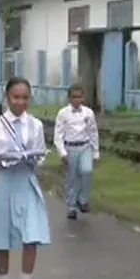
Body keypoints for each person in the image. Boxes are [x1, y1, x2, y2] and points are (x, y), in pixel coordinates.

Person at [0, 76, 49, 279]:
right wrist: (1, 162)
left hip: (26, 181)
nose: (20, 102)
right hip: (4, 182)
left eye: (25, 98)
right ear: (7, 98)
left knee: (31, 235)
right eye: (16, 97)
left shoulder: (36, 125)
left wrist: (35, 159)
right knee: (3, 235)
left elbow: (42, 154)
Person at [53, 84, 100, 219]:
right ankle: (72, 205)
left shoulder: (88, 113)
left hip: (85, 146)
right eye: (74, 97)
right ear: (69, 98)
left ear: (83, 97)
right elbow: (58, 134)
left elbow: (93, 132)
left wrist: (95, 151)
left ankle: (83, 199)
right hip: (70, 147)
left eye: (79, 97)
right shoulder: (63, 113)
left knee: (87, 171)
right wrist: (62, 152)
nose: (77, 100)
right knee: (72, 177)